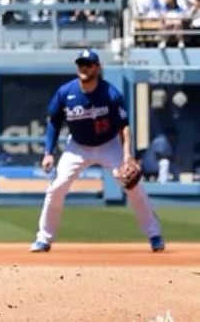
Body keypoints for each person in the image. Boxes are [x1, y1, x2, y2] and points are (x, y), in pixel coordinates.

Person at [30, 49, 164, 253]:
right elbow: (54, 122)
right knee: (56, 188)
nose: (84, 68)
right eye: (80, 64)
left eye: (88, 64)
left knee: (133, 186)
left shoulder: (110, 93)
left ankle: (154, 235)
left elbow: (124, 127)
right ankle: (43, 239)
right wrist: (48, 152)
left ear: (97, 68)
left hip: (109, 145)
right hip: (77, 147)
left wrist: (127, 156)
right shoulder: (66, 92)